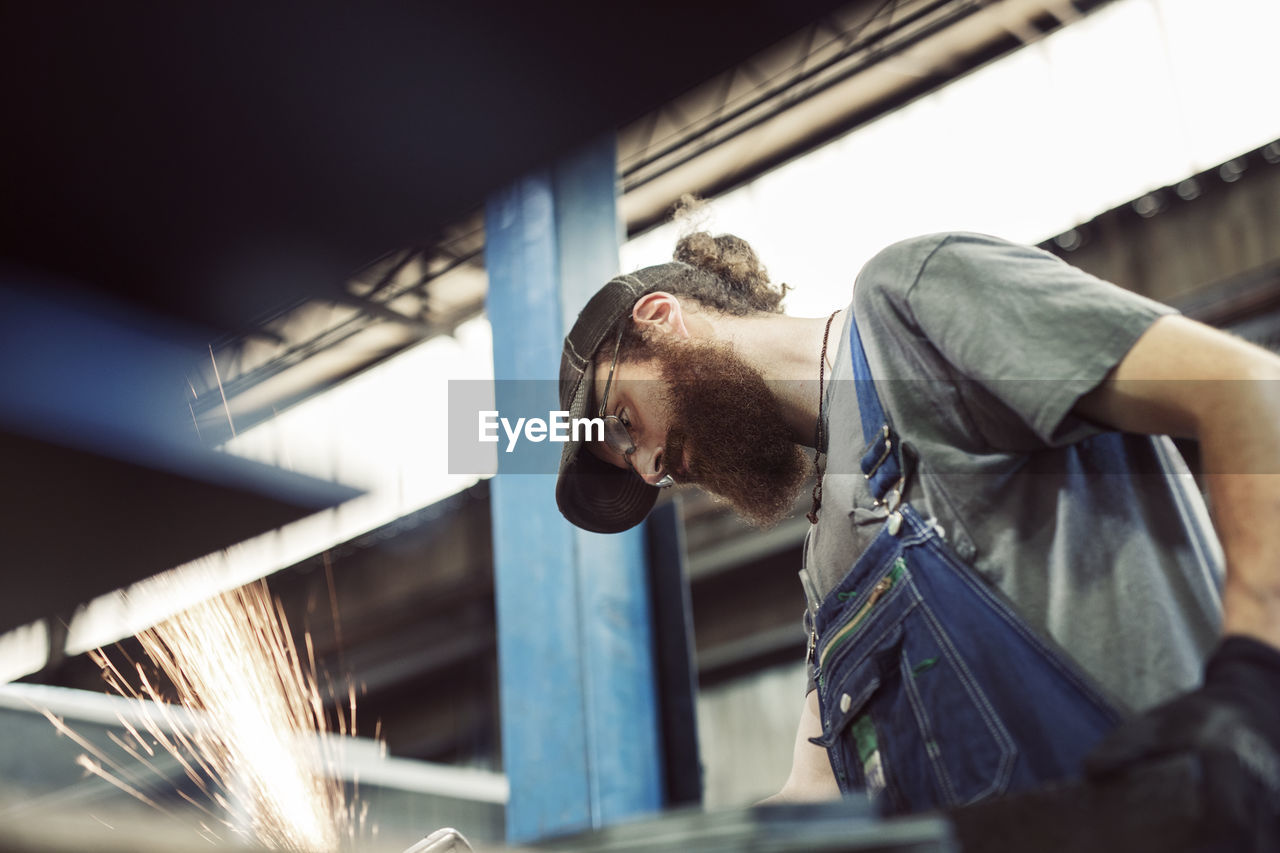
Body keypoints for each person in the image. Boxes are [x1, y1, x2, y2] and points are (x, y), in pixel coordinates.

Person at [553, 217, 1280, 845]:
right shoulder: (826, 565)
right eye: (632, 466)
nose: (650, 464)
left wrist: (1255, 688)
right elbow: (812, 800)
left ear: (661, 317)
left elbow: (1249, 394)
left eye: (624, 422)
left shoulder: (910, 306)